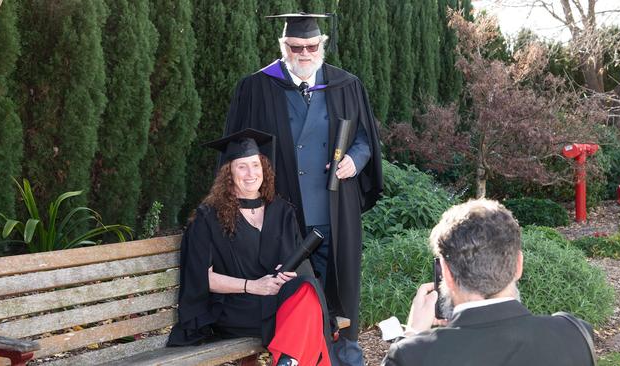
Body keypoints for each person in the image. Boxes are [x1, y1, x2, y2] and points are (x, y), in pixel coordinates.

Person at [223, 13, 383, 365]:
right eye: (297, 47)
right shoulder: (257, 87)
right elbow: (237, 153)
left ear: (321, 45)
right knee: (299, 297)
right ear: (284, 47)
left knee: (339, 295)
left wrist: (354, 161)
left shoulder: (345, 85)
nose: (305, 53)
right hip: (282, 219)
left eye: (312, 46)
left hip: (334, 214)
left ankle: (344, 358)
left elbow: (364, 140)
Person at [167, 128, 332, 366]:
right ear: (228, 173)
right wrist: (253, 286)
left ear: (264, 169)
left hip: (278, 301)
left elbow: (301, 266)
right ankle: (289, 360)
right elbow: (201, 278)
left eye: (255, 165)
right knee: (309, 311)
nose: (250, 173)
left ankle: (288, 361)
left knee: (307, 287)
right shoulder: (208, 218)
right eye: (242, 166)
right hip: (235, 307)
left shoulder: (282, 211)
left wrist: (290, 274)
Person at [381, 199, 596, 366]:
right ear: (518, 265)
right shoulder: (575, 334)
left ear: (446, 273)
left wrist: (411, 335)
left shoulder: (412, 355)